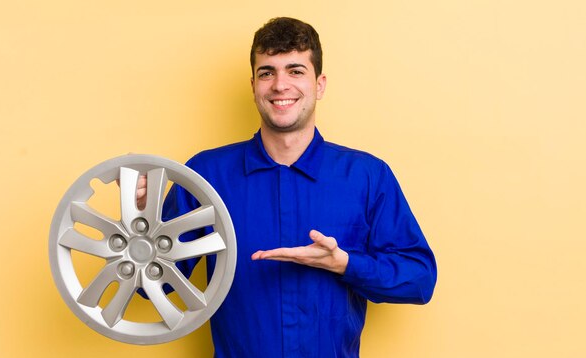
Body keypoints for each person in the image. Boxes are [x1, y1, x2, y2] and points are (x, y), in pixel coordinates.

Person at [140, 17, 436, 357]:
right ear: (253, 85)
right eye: (268, 72)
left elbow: (419, 279)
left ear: (320, 84)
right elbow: (155, 284)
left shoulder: (367, 176)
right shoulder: (206, 175)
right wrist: (144, 223)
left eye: (295, 71)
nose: (280, 85)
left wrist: (345, 264)